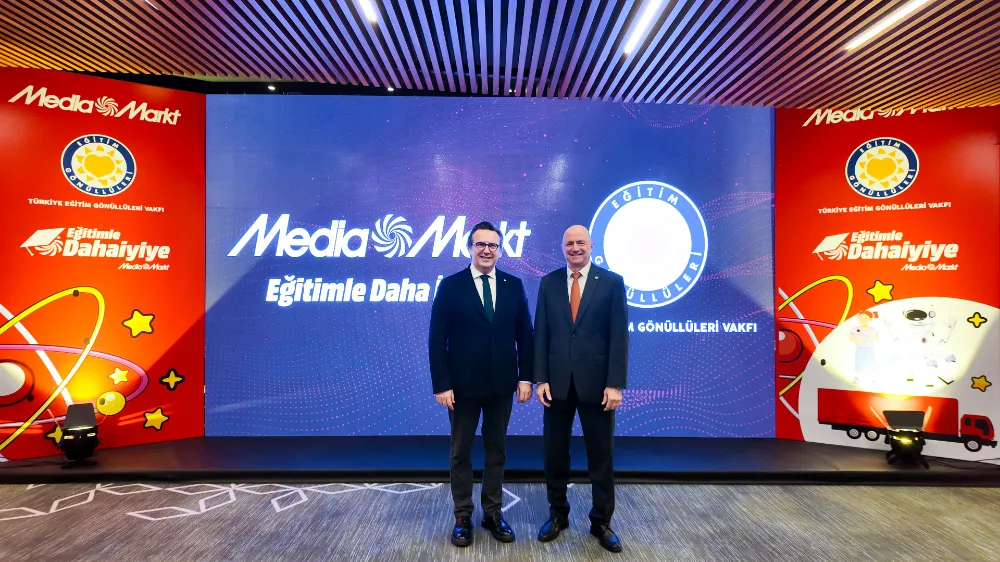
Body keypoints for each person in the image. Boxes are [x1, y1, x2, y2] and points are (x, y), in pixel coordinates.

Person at [429, 221, 534, 547]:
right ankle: (463, 516)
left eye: (492, 245)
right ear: (470, 248)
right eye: (480, 244)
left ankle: (492, 513)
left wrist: (525, 377)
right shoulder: (451, 286)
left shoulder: (514, 285)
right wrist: (442, 384)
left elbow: (525, 335)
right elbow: (437, 339)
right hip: (461, 388)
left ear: (500, 250)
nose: (486, 250)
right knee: (460, 452)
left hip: (502, 385)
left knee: (496, 451)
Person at [533, 224, 628, 553]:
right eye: (569, 243)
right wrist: (540, 378)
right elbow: (541, 333)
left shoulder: (612, 282)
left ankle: (601, 522)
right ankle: (557, 515)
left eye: (581, 243)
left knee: (601, 456)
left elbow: (619, 336)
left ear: (591, 246)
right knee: (554, 454)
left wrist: (615, 384)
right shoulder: (548, 282)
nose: (575, 248)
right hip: (556, 385)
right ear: (563, 248)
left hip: (598, 386)